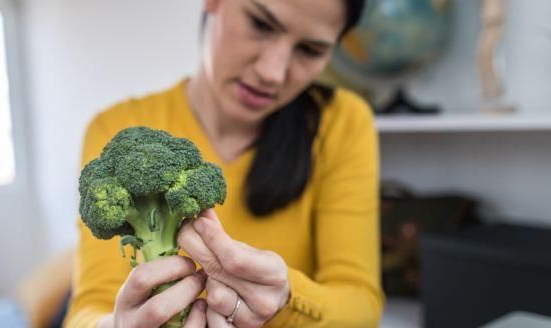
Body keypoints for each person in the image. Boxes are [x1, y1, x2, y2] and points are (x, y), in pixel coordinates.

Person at [64, 0, 383, 327]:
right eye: (261, 24)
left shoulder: (340, 125)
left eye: (311, 50)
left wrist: (285, 302)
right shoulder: (116, 127)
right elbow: (87, 310)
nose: (272, 72)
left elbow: (361, 305)